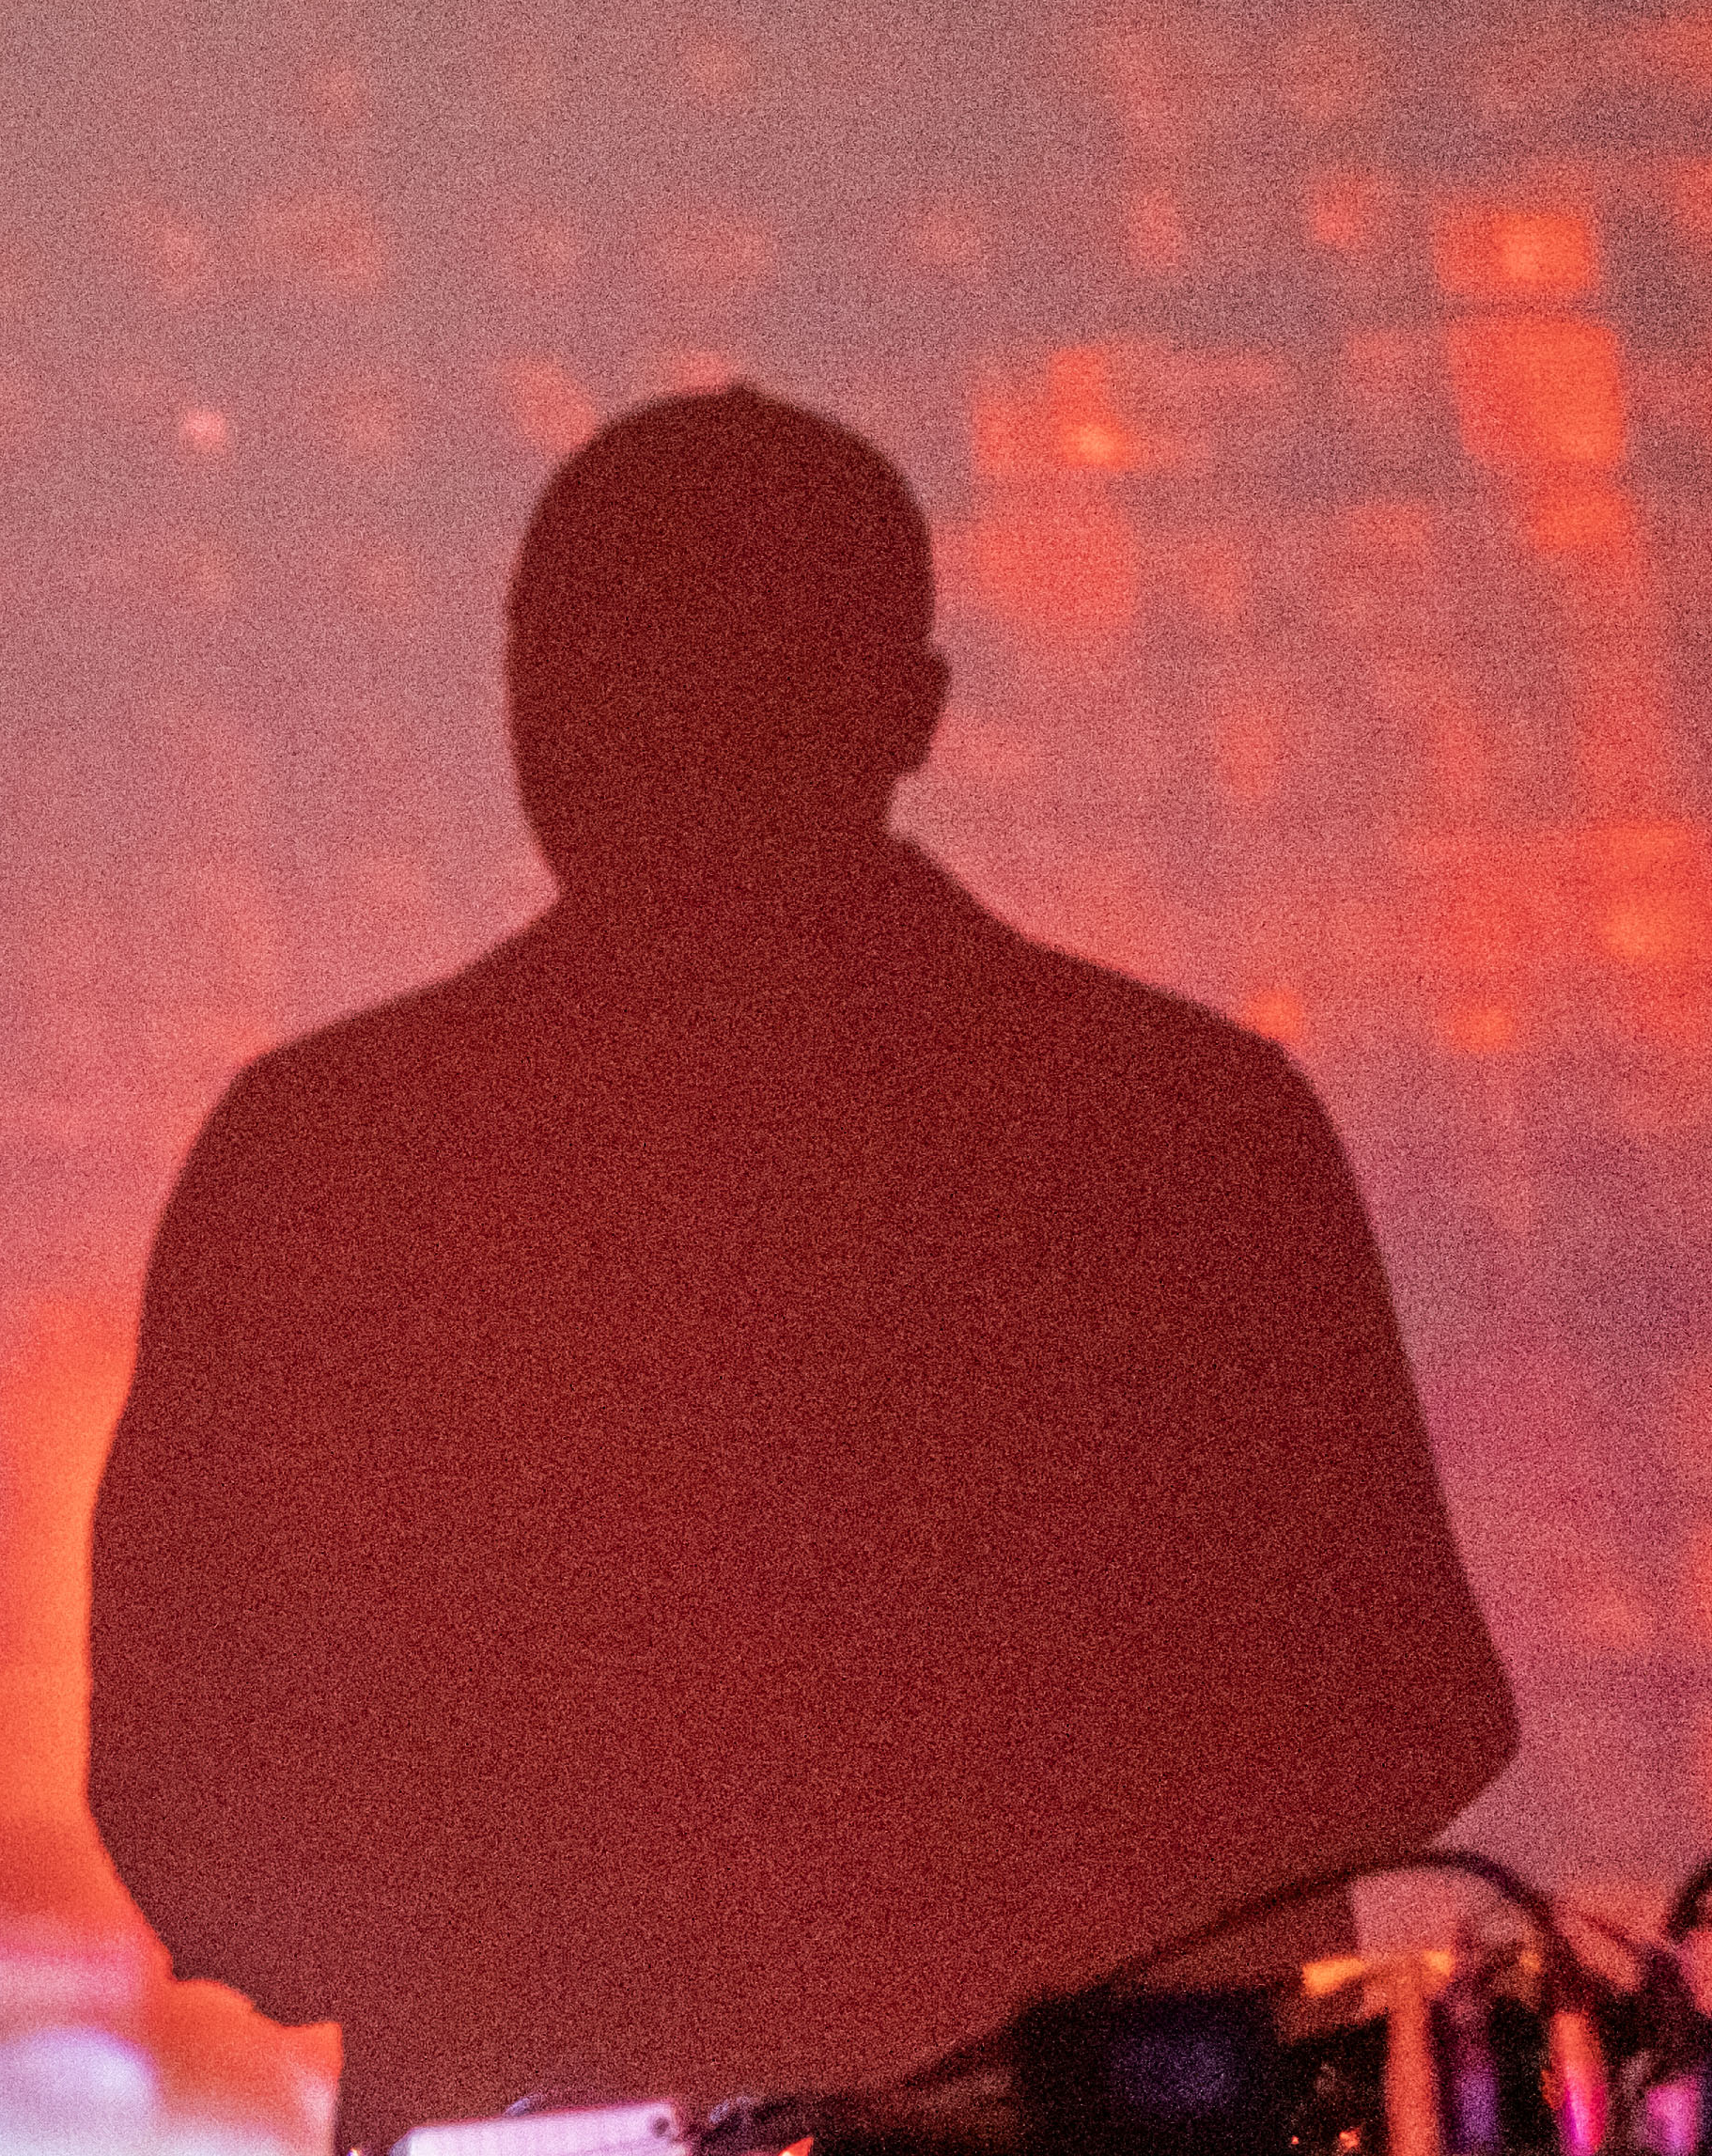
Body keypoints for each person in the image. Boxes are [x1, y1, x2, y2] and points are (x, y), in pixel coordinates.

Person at [86, 387, 1514, 2144]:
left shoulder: (327, 1157)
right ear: (912, 711)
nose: (623, 727)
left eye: (659, 668)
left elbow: (202, 1808)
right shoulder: (1188, 1123)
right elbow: (1404, 1717)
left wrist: (573, 1919)